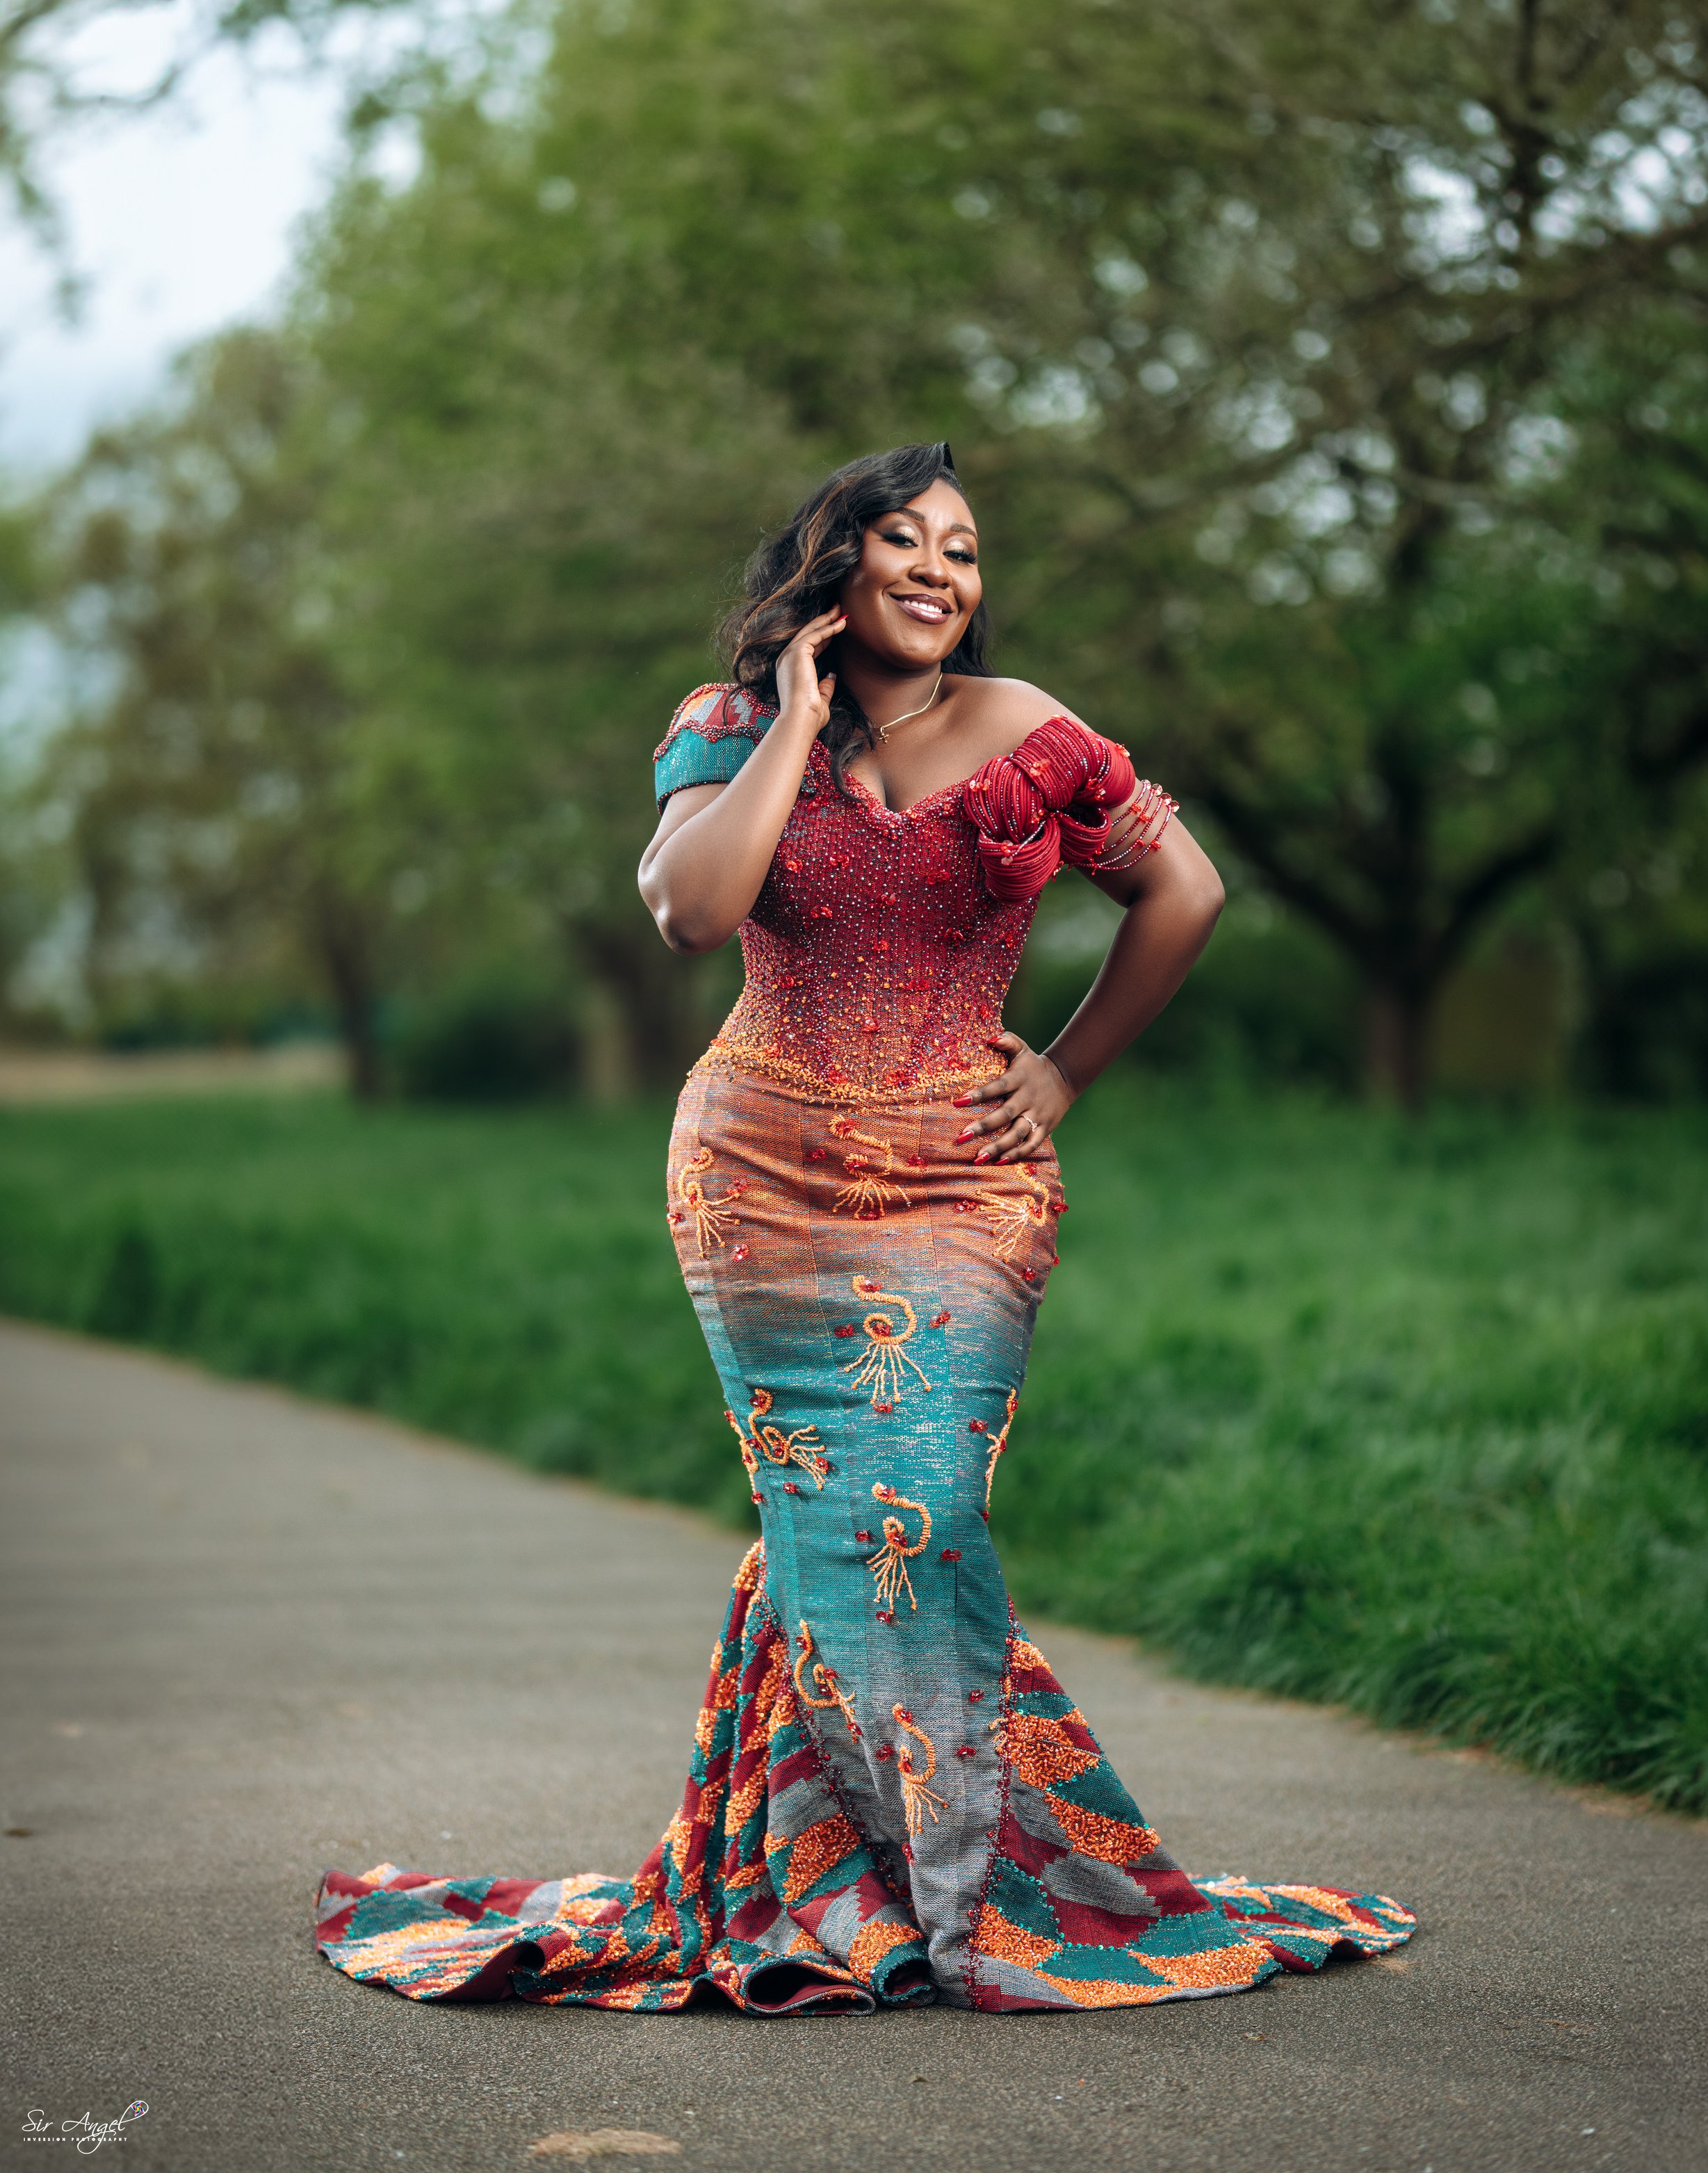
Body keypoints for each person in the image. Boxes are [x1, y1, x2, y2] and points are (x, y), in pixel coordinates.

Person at [315, 443, 1415, 2014]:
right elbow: (695, 912)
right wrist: (798, 723)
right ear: (831, 563)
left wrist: (1067, 1071)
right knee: (827, 1525)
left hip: (964, 1179)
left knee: (923, 1518)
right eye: (902, 539)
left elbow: (1187, 892)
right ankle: (834, 1870)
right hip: (757, 1172)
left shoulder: (1029, 728)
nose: (939, 571)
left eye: (962, 552)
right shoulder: (728, 735)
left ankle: (965, 1875)